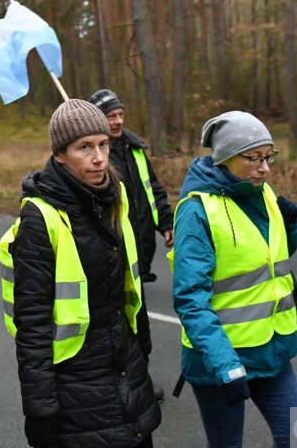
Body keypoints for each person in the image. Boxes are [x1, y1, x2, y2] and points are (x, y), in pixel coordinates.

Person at [0, 99, 161, 447]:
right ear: (60, 155)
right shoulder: (40, 219)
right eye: (84, 147)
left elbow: (130, 291)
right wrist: (40, 405)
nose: (99, 157)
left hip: (124, 366)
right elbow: (32, 322)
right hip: (73, 380)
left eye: (102, 144)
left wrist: (141, 352)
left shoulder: (114, 200)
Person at [168, 111, 297, 447]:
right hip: (221, 362)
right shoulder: (196, 210)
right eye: (254, 158)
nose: (265, 167)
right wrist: (225, 367)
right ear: (227, 158)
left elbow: (273, 259)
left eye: (268, 156)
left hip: (271, 349)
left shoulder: (263, 192)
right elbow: (190, 298)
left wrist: (290, 226)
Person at [88, 88, 174, 399]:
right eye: (111, 116)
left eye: (120, 114)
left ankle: (138, 382)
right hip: (112, 253)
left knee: (139, 323)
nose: (118, 120)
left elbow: (152, 190)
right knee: (118, 324)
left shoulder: (134, 149)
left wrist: (165, 221)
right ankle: (122, 387)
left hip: (139, 251)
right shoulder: (96, 156)